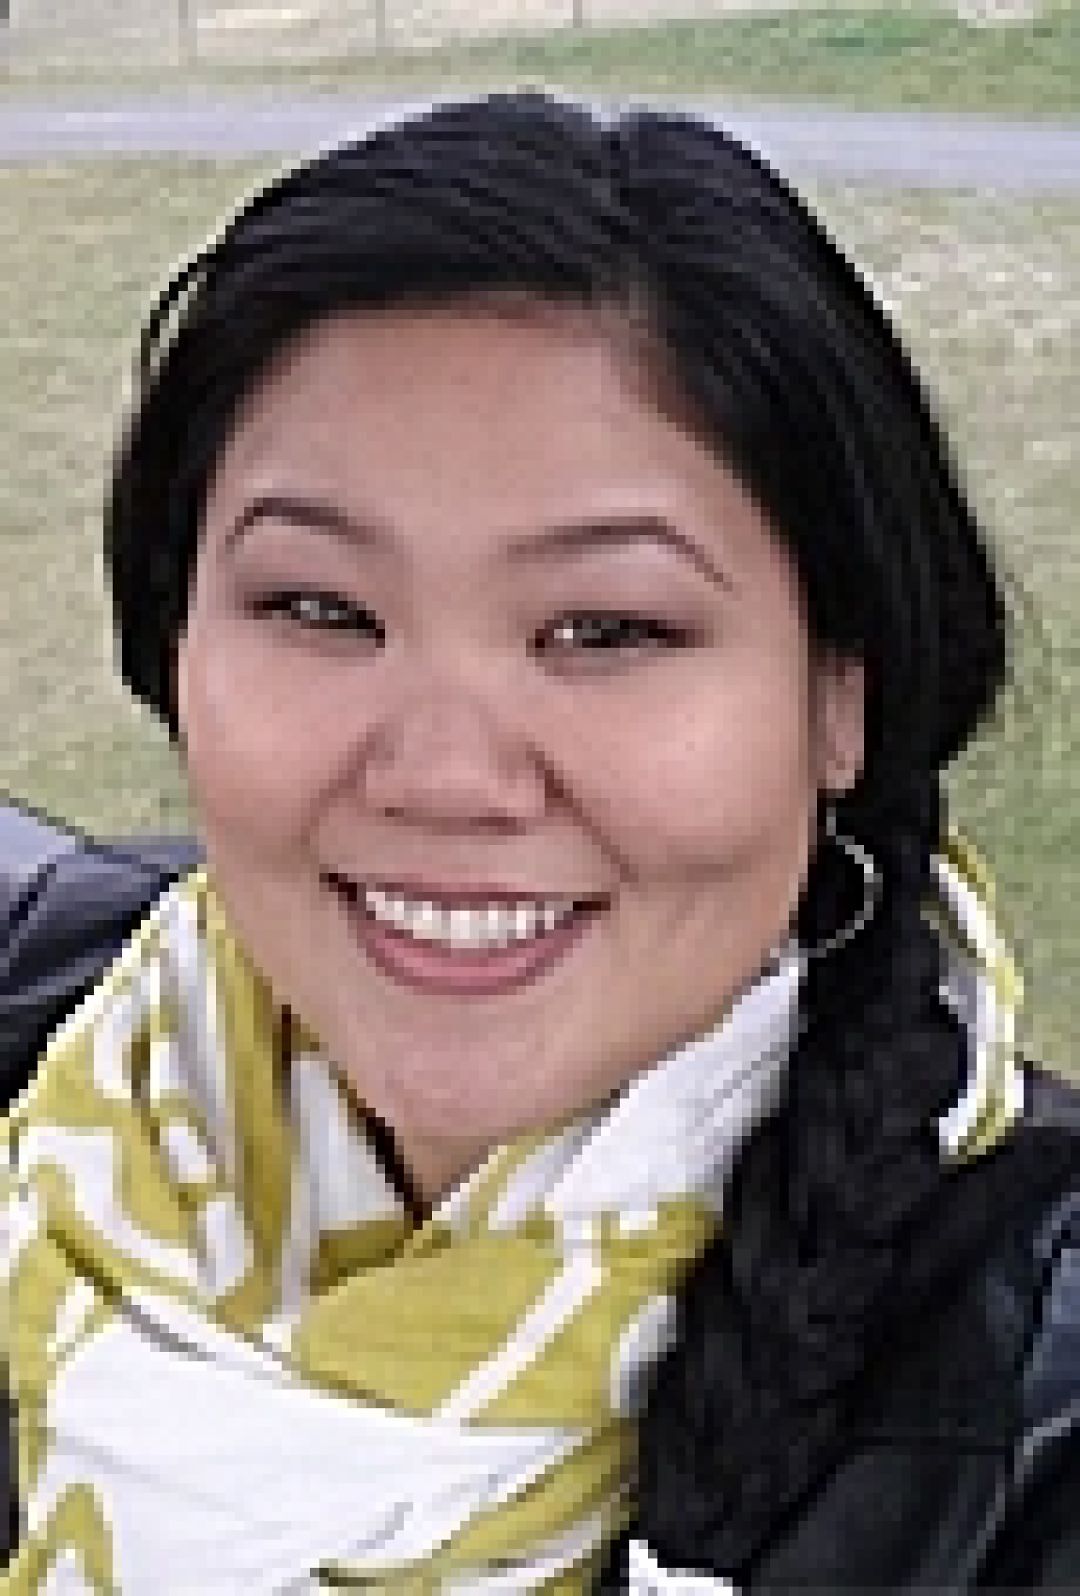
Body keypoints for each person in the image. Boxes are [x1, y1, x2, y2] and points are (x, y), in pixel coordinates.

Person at [3, 89, 1078, 1593]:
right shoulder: (38, 1029)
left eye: (606, 629)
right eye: (320, 607)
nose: (446, 777)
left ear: (841, 693)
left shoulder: (1040, 1412)